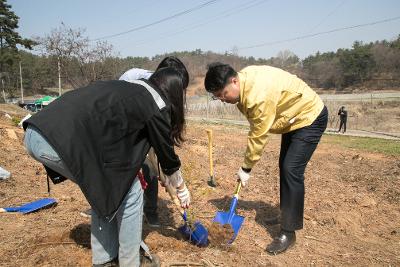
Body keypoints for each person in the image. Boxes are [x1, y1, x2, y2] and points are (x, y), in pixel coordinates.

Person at [23, 67, 191, 267]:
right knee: (130, 190)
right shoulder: (153, 102)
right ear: (174, 91)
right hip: (57, 142)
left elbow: (122, 143)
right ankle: (131, 261)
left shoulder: (128, 90)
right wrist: (181, 188)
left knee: (107, 187)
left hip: (37, 132)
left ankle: (104, 260)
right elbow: (166, 154)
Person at [204, 63, 328, 255]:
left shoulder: (258, 94)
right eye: (217, 96)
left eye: (223, 93)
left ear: (234, 81)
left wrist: (246, 168)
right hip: (292, 119)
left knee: (291, 169)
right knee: (285, 167)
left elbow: (258, 134)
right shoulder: (244, 85)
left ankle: (289, 232)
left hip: (309, 116)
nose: (221, 99)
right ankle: (285, 215)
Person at [119, 56, 189, 227]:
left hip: (147, 126)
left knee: (151, 170)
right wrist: (178, 183)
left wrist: (168, 176)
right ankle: (114, 209)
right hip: (126, 129)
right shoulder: (133, 78)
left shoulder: (164, 94)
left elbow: (162, 139)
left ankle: (150, 211)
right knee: (134, 169)